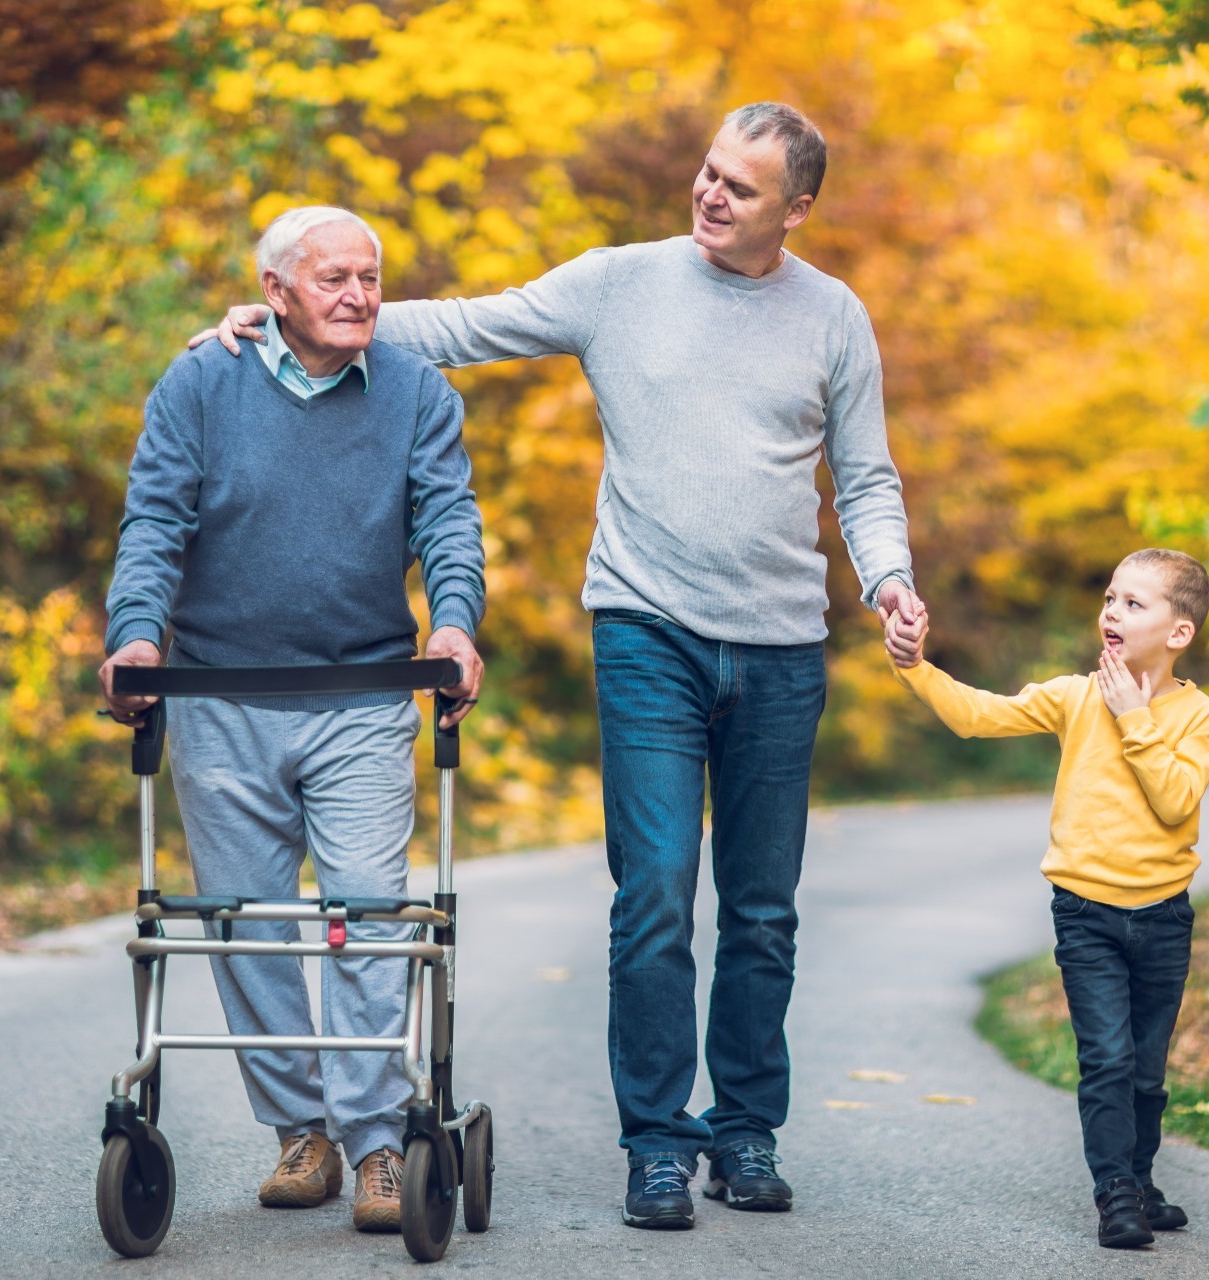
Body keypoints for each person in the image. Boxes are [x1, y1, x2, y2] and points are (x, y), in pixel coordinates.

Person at [194, 102, 924, 1230]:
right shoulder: (620, 282)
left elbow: (866, 478)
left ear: (798, 208)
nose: (712, 194)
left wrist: (888, 579)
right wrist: (298, 318)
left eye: (742, 186)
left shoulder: (833, 316)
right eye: (709, 172)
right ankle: (658, 1145)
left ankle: (745, 1129)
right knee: (652, 898)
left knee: (764, 908)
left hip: (782, 645)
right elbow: (464, 327)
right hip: (644, 629)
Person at [99, 205, 486, 1236]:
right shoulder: (201, 381)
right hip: (219, 692)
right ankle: (299, 1133)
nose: (360, 295)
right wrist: (137, 635)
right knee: (248, 921)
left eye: (371, 276)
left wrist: (453, 623)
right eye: (334, 279)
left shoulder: (415, 392)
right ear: (276, 291)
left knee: (364, 912)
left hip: (363, 693)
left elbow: (448, 517)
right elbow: (154, 518)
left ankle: (374, 1146)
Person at [883, 548, 1209, 1249]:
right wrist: (914, 667)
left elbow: (1174, 801)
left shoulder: (1201, 718)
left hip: (1162, 916)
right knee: (1106, 1059)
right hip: (1084, 913)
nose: (1111, 613)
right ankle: (1115, 1196)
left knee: (1147, 1069)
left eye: (1133, 603)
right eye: (1108, 598)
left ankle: (1138, 1176)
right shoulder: (1075, 696)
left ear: (1178, 632)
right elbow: (979, 715)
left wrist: (1135, 718)